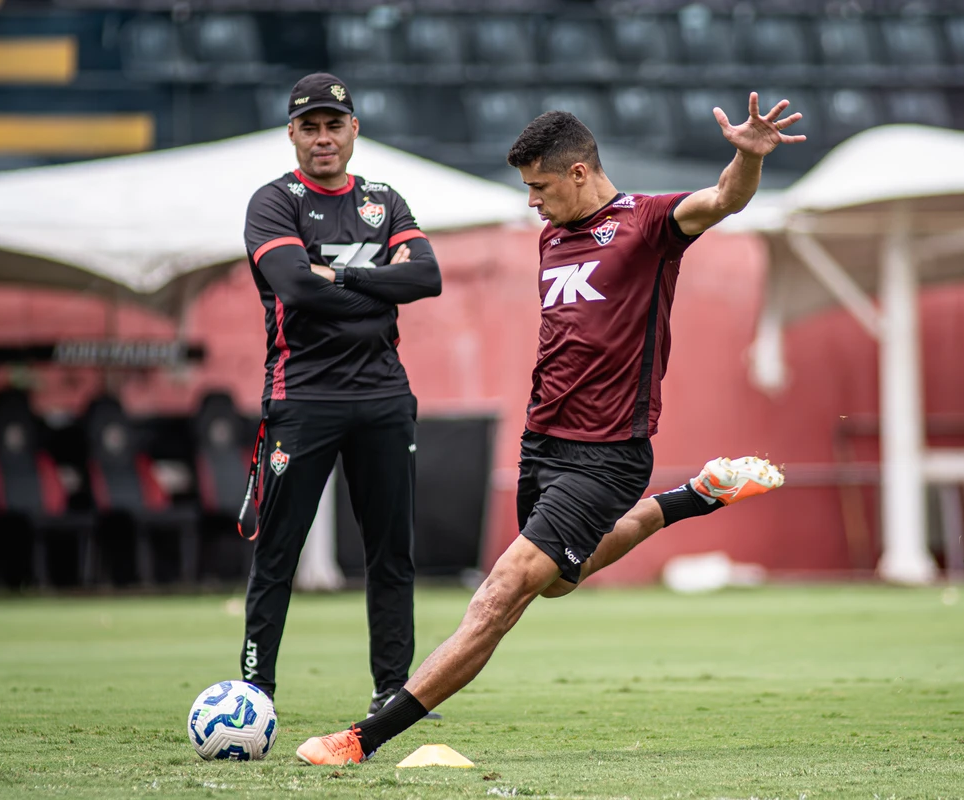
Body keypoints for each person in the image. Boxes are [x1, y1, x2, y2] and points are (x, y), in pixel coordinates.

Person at [295, 92, 804, 765]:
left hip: (608, 454)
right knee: (560, 580)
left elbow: (723, 199)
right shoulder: (551, 236)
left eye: (539, 187)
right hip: (542, 445)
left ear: (578, 173)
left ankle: (363, 740)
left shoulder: (649, 223)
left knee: (499, 595)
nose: (531, 201)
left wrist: (749, 156)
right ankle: (696, 496)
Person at [239, 72, 443, 720]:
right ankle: (254, 694)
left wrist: (343, 276)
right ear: (291, 134)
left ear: (354, 129)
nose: (323, 137)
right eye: (310, 127)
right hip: (302, 398)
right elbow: (297, 288)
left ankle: (393, 693)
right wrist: (380, 283)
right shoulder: (274, 202)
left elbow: (428, 278)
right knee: (278, 551)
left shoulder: (384, 199)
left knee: (392, 553)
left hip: (384, 397)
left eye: (334, 124)